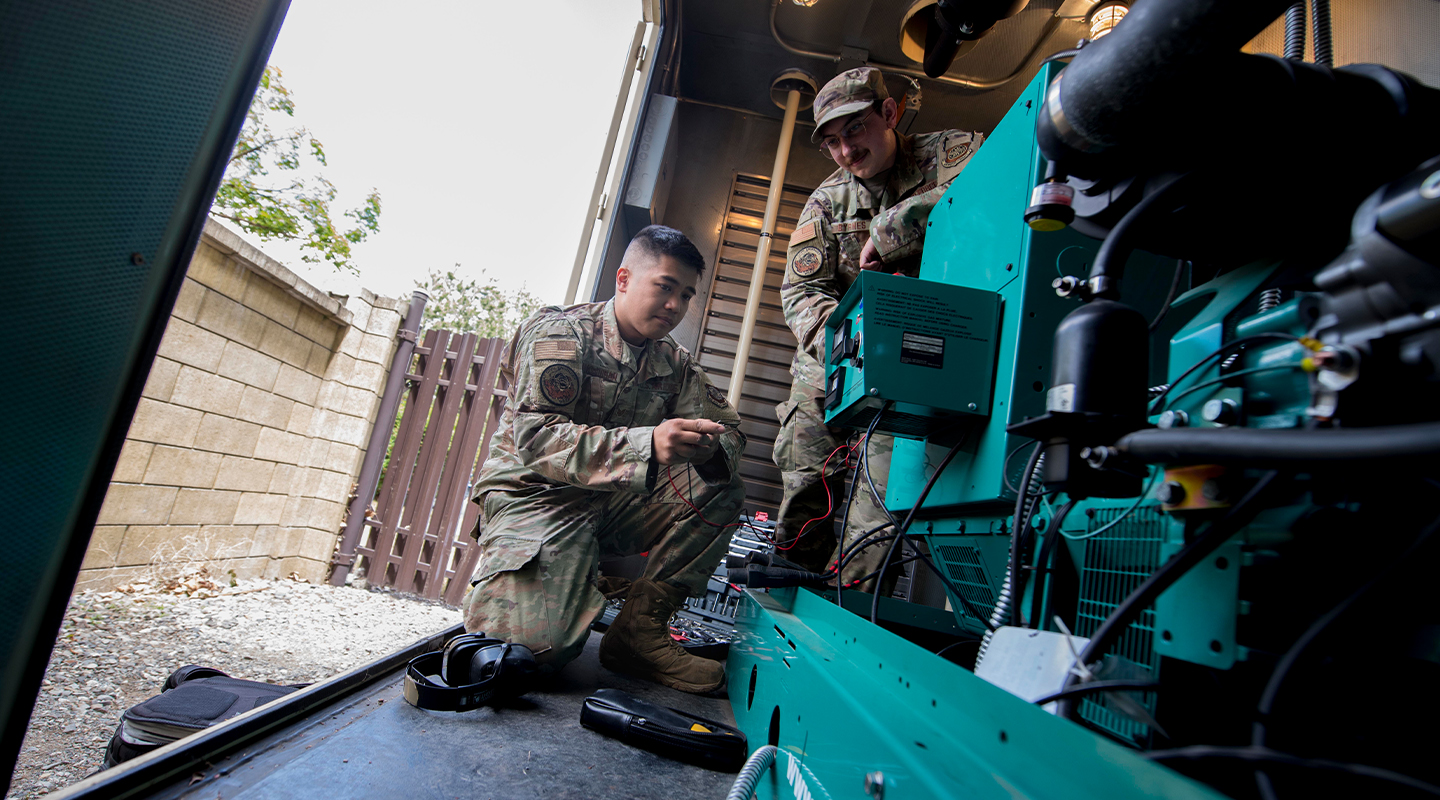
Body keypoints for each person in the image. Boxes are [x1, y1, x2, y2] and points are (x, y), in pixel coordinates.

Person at [461, 225, 746, 695]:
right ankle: (549, 583)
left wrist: (711, 446)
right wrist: (647, 445)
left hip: (613, 502)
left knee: (719, 486)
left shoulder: (673, 363)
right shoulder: (560, 335)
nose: (675, 305)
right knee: (531, 658)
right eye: (665, 287)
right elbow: (537, 437)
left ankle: (638, 636)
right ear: (623, 278)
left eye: (687, 295)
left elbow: (730, 433)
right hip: (538, 498)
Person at [776, 67, 983, 588]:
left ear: (889, 115)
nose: (845, 151)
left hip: (917, 356)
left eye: (854, 130)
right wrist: (848, 343)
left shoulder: (951, 153)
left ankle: (847, 612)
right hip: (835, 358)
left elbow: (998, 188)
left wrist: (894, 228)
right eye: (831, 143)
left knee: (880, 500)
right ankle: (786, 593)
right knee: (806, 478)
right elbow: (801, 292)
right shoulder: (826, 202)